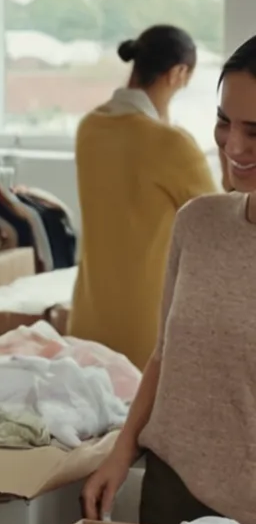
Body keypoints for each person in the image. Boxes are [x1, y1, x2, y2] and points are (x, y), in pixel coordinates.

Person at [81, 35, 256, 524]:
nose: (233, 146)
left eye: (255, 131)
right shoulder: (197, 221)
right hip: (170, 489)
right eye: (225, 122)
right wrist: (120, 452)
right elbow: (165, 352)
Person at [69, 25, 216, 370]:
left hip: (87, 320)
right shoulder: (172, 144)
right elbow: (219, 221)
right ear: (178, 73)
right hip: (146, 329)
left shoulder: (89, 127)